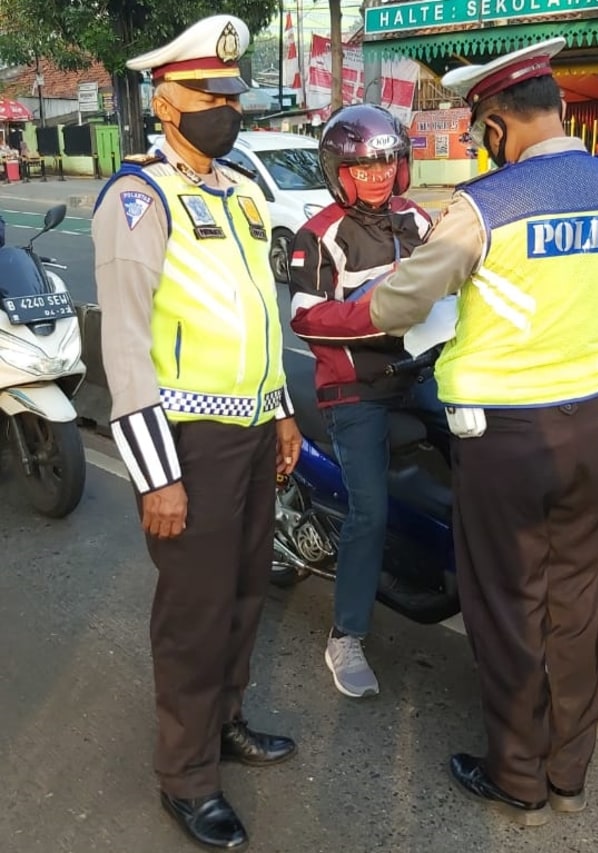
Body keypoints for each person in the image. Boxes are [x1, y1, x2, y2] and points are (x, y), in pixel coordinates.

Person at [366, 37, 598, 825]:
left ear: (494, 124)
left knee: (509, 606)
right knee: (579, 606)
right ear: (559, 107)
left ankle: (517, 778)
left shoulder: (487, 204)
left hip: (504, 441)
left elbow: (397, 306)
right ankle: (568, 774)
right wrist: (586, 330)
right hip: (591, 424)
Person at [92, 15, 302, 850]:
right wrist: (156, 476)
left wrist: (282, 407)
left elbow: (260, 316)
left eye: (231, 93)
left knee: (246, 594)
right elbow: (127, 350)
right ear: (165, 99)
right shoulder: (140, 199)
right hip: (187, 443)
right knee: (194, 611)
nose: (227, 107)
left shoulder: (240, 193)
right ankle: (185, 775)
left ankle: (226, 723)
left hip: (251, 435)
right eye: (210, 94)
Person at [288, 104, 447, 699]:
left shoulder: (420, 220)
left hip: (422, 374)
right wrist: (377, 312)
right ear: (340, 170)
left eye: (388, 162)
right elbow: (305, 316)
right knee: (370, 511)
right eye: (365, 165)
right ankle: (346, 634)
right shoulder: (319, 234)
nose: (379, 174)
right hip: (355, 389)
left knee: (488, 452)